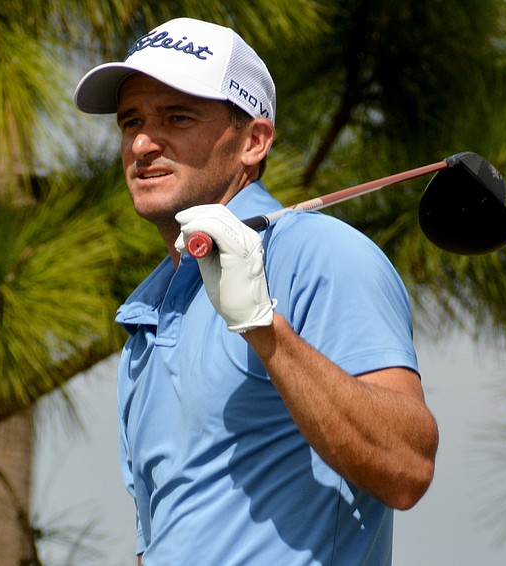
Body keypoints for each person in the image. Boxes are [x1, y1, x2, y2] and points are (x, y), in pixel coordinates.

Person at [73, 17, 438, 566]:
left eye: (177, 116)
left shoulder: (319, 253)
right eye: (131, 122)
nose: (143, 143)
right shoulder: (146, 312)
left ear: (253, 141)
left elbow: (407, 467)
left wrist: (265, 329)